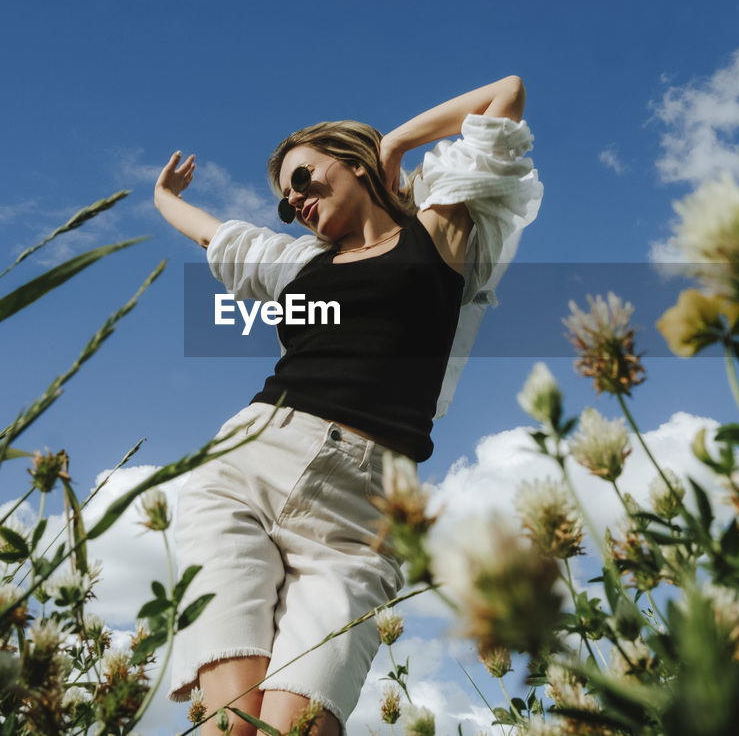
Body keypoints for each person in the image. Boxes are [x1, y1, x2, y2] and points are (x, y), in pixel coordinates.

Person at [154, 76, 541, 735]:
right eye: (284, 200)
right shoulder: (295, 267)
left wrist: (395, 143)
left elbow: (505, 96)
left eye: (302, 178)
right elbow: (218, 239)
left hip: (361, 515)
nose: (295, 200)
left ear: (353, 163)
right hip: (245, 470)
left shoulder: (439, 230)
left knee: (297, 728)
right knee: (233, 725)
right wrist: (163, 197)